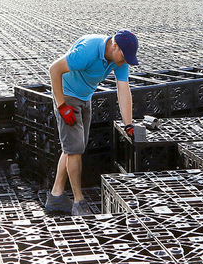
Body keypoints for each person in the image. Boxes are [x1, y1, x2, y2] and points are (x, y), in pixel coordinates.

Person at [46, 30, 140, 216]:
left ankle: (56, 196)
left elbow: (123, 91)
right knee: (75, 150)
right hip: (67, 95)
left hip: (85, 96)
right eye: (124, 56)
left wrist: (128, 125)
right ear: (114, 46)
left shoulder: (119, 60)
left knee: (74, 147)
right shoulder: (88, 50)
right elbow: (54, 69)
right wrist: (61, 105)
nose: (125, 61)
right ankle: (79, 202)